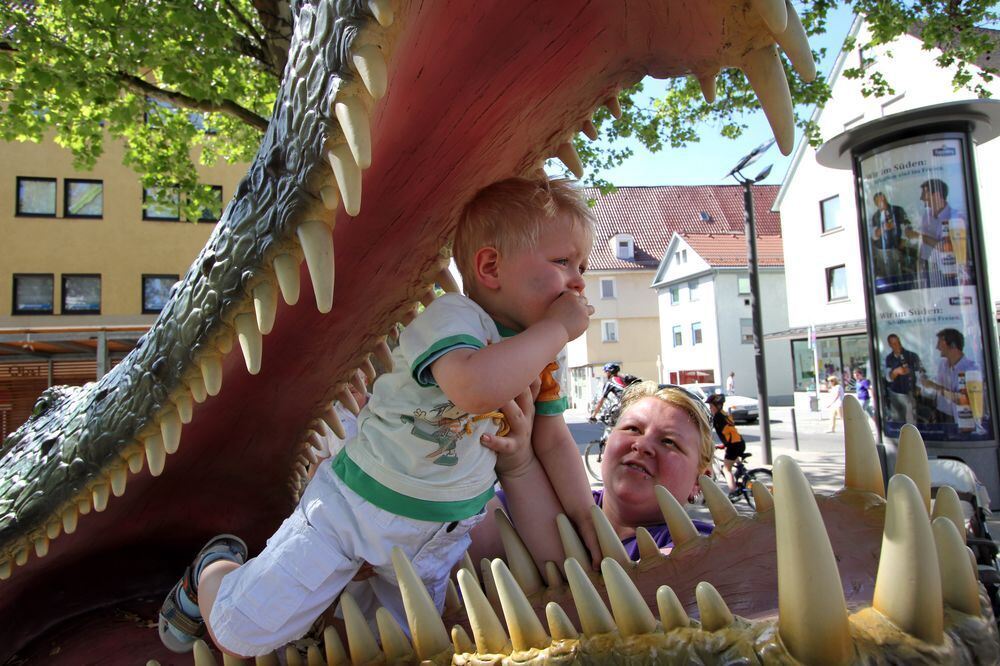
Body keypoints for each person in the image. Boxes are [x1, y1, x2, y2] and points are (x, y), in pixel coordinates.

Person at [158, 176, 603, 657]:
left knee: (385, 651)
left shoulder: (543, 352)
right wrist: (558, 327)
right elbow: (475, 388)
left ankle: (316, 609)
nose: (578, 279)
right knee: (239, 630)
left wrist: (584, 515)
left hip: (436, 538)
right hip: (356, 510)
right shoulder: (453, 317)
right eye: (563, 262)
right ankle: (215, 566)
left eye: (582, 265)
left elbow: (554, 440)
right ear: (490, 266)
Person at [469, 381, 715, 566]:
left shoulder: (703, 542)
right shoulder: (547, 499)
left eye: (670, 442)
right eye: (632, 428)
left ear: (699, 481)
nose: (642, 445)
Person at [904, 179, 966, 286]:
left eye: (924, 194)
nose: (921, 198)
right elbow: (923, 247)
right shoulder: (926, 216)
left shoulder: (956, 217)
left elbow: (948, 248)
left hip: (949, 274)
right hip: (927, 271)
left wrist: (918, 236)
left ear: (936, 195)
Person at [920, 328, 978, 423]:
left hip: (961, 419)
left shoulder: (970, 369)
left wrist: (934, 386)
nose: (937, 347)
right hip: (941, 415)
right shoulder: (943, 364)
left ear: (952, 345)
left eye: (940, 343)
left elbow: (965, 400)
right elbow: (938, 390)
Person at [705, 393, 745, 498]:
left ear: (717, 406)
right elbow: (728, 434)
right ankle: (740, 467)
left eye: (711, 406)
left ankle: (734, 491)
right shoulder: (724, 414)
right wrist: (723, 445)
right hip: (739, 442)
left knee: (726, 470)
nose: (710, 408)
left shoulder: (717, 417)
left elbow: (708, 432)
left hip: (733, 445)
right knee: (731, 455)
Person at [868, 192, 910, 277]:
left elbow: (907, 226)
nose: (878, 203)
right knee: (886, 276)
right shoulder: (875, 216)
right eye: (876, 202)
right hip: (882, 253)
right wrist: (883, 228)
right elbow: (874, 236)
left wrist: (903, 241)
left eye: (879, 200)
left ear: (884, 198)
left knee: (899, 275)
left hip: (898, 250)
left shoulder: (897, 210)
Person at [884, 333, 921, 424]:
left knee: (911, 420)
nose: (896, 346)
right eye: (893, 343)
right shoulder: (889, 358)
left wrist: (918, 386)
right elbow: (889, 378)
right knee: (898, 421)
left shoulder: (911, 355)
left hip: (909, 392)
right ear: (889, 345)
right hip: (895, 394)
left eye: (897, 342)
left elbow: (920, 373)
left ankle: (912, 438)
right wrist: (896, 371)